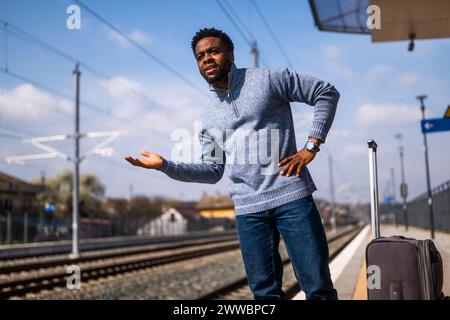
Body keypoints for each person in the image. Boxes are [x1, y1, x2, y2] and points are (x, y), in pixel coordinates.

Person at [125, 27, 340, 300]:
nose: (207, 59)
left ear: (230, 54)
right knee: (264, 294)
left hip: (291, 199)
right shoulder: (209, 117)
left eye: (213, 51)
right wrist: (165, 165)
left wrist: (311, 146)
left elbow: (325, 92)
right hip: (249, 211)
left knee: (318, 288)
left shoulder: (268, 79)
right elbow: (213, 171)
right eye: (200, 56)